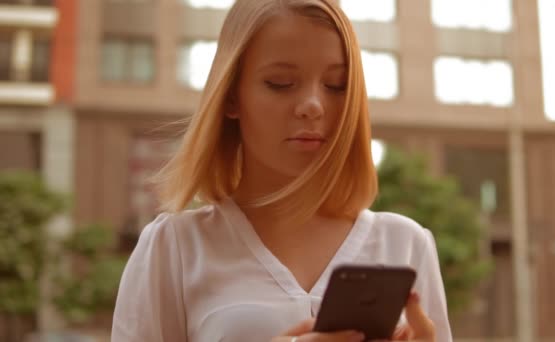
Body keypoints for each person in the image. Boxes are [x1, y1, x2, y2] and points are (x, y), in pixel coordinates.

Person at [111, 0, 452, 341]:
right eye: (280, 83)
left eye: (336, 85)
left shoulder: (405, 246)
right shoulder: (175, 249)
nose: (313, 106)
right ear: (231, 96)